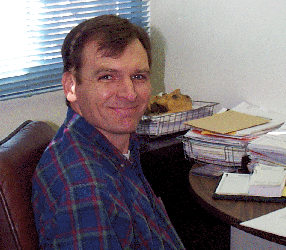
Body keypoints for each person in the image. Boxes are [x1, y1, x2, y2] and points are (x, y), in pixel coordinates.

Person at [32, 14, 185, 249]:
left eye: (138, 76)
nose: (130, 93)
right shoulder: (85, 190)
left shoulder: (117, 150)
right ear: (71, 87)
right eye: (107, 77)